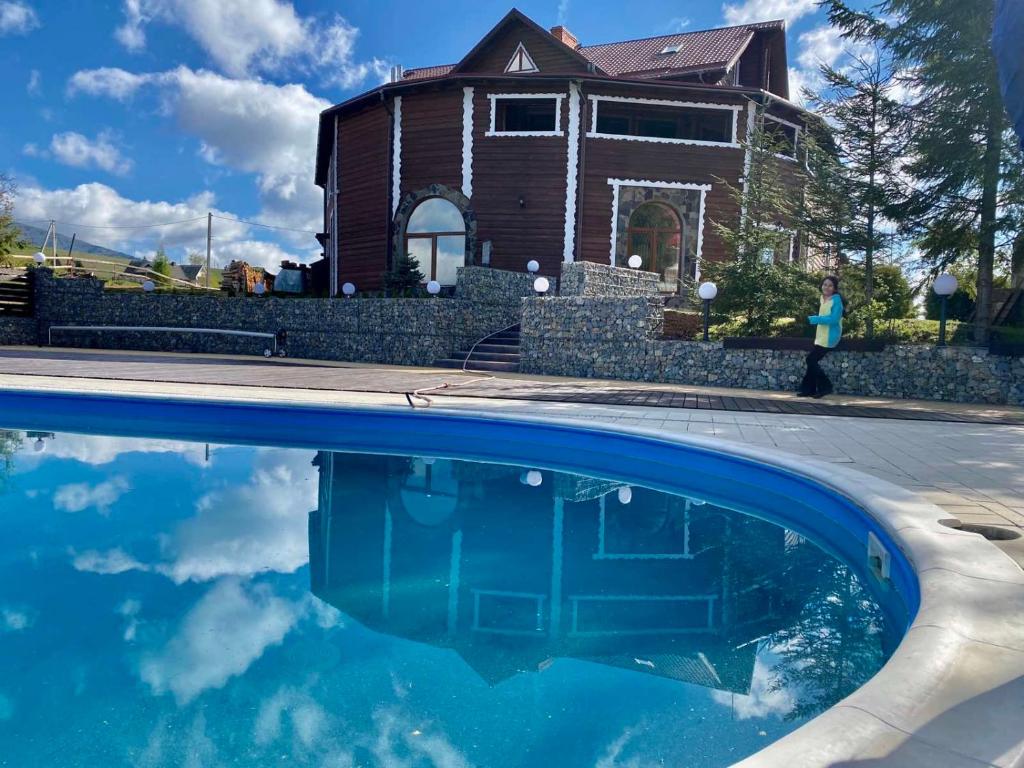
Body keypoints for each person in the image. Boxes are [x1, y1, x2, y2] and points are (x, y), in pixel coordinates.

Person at [799, 276, 844, 398]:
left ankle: (825, 387)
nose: (827, 287)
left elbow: (834, 319)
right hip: (821, 335)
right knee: (812, 361)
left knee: (811, 360)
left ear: (834, 288)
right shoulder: (822, 298)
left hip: (831, 336)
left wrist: (815, 319)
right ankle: (809, 390)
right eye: (825, 284)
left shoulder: (836, 300)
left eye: (830, 285)